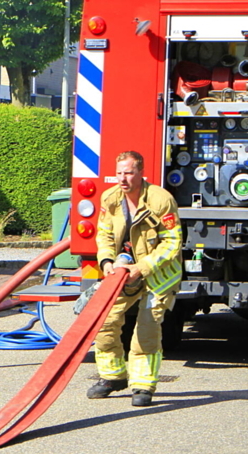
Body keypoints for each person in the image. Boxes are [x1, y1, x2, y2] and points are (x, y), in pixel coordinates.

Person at [86, 151, 182, 407]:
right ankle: (112, 377)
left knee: (146, 330)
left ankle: (142, 385)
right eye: (119, 173)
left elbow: (172, 243)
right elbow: (104, 235)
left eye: (128, 173)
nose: (123, 178)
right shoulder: (111, 198)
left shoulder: (161, 200)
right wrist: (106, 262)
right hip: (122, 274)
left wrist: (142, 267)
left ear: (141, 173)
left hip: (158, 275)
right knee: (105, 321)